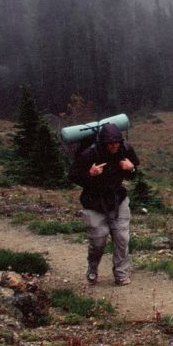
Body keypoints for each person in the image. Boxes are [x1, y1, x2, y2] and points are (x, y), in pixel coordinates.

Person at [68, 121, 139, 286]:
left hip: (117, 199)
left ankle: (121, 274)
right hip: (94, 202)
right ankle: (93, 267)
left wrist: (131, 169)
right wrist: (90, 174)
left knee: (122, 238)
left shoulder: (125, 150)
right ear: (103, 143)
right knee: (98, 241)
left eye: (117, 142)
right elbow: (72, 176)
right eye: (111, 143)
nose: (114, 146)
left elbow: (133, 174)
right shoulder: (89, 155)